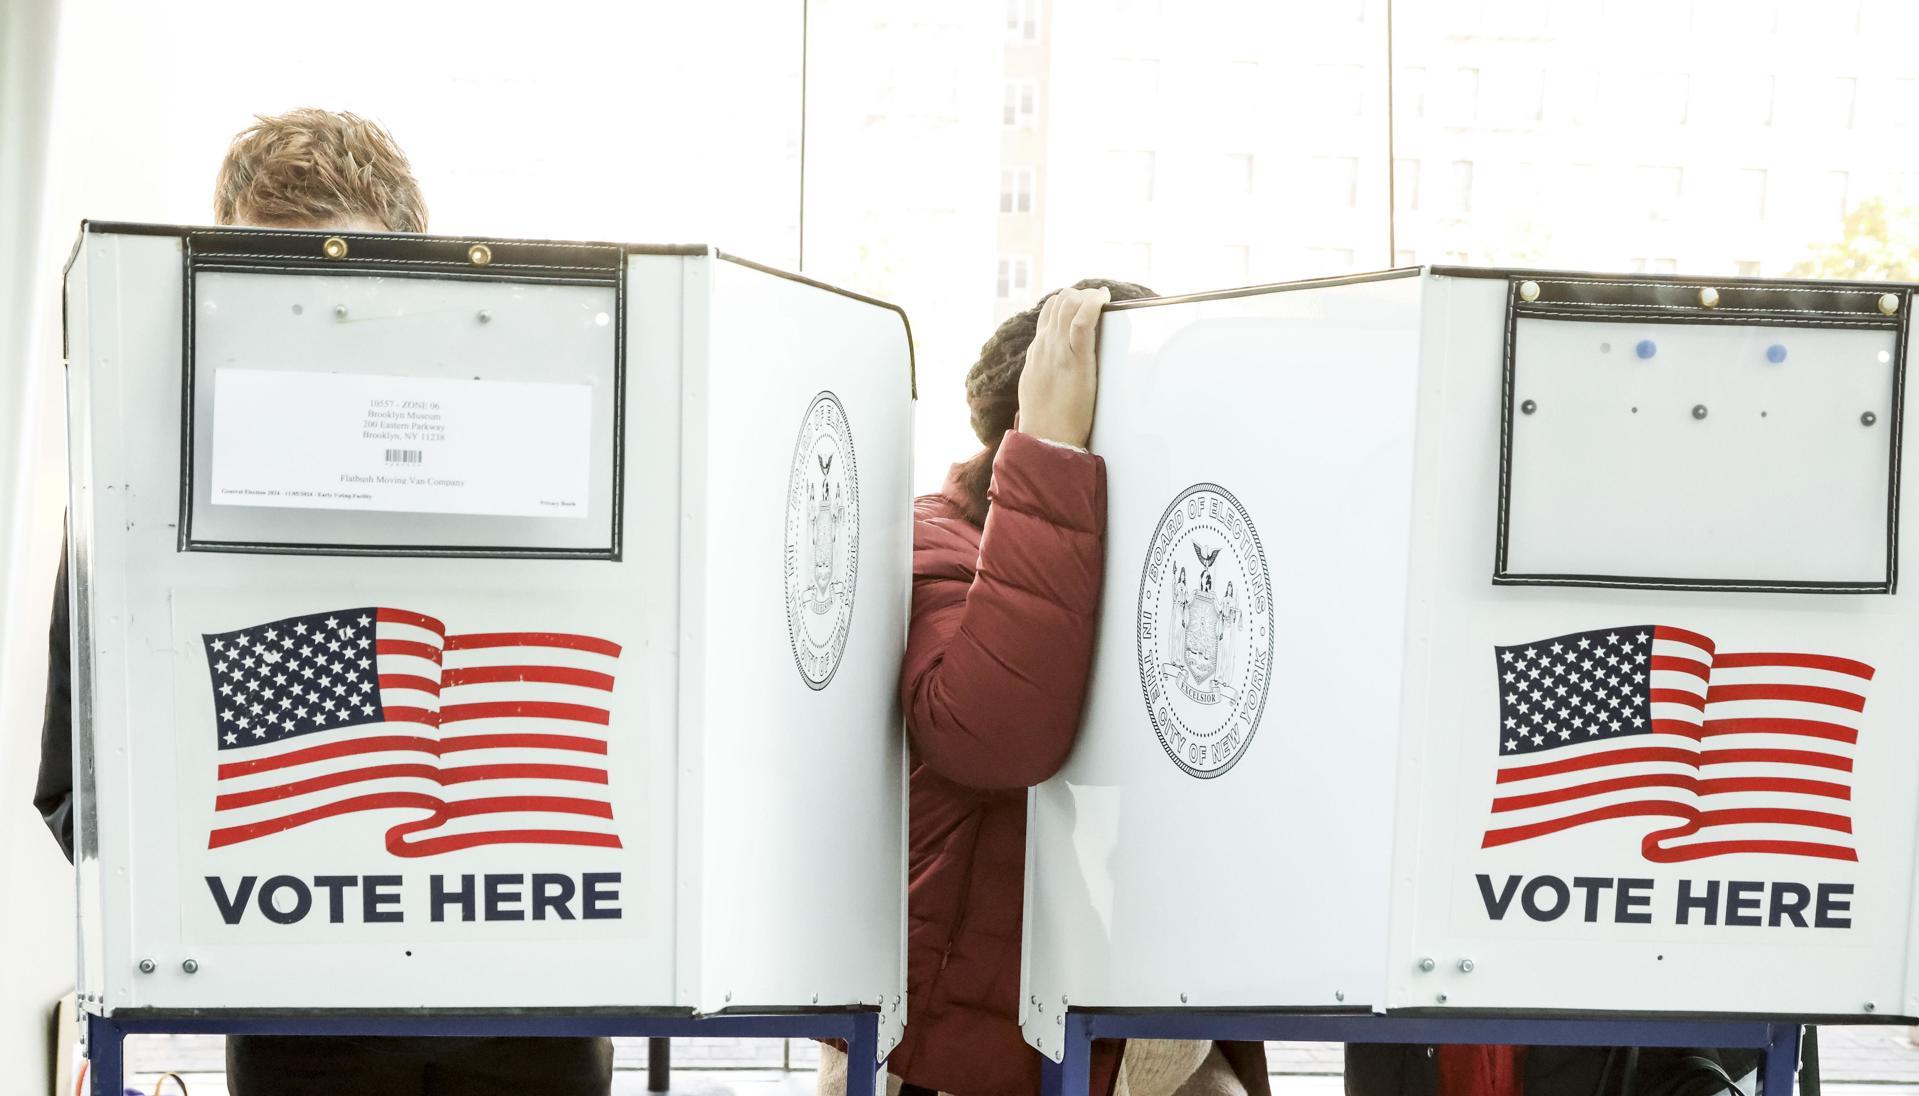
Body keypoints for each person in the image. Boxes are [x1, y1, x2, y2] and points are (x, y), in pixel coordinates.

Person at [33, 107, 613, 1096]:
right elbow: (75, 793)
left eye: (345, 279)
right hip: (298, 1015)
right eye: (278, 283)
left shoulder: (551, 449)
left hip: (531, 1006)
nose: (317, 314)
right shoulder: (146, 485)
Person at [817, 281, 1271, 1096]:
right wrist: (1055, 459)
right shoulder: (930, 543)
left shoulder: (1174, 559)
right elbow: (992, 736)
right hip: (952, 1056)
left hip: (1147, 1041)